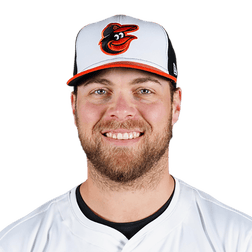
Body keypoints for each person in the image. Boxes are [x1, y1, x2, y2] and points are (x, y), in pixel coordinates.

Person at [0, 13, 251, 252]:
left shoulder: (239, 240)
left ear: (176, 105)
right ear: (73, 105)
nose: (121, 112)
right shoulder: (17, 244)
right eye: (99, 91)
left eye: (144, 90)